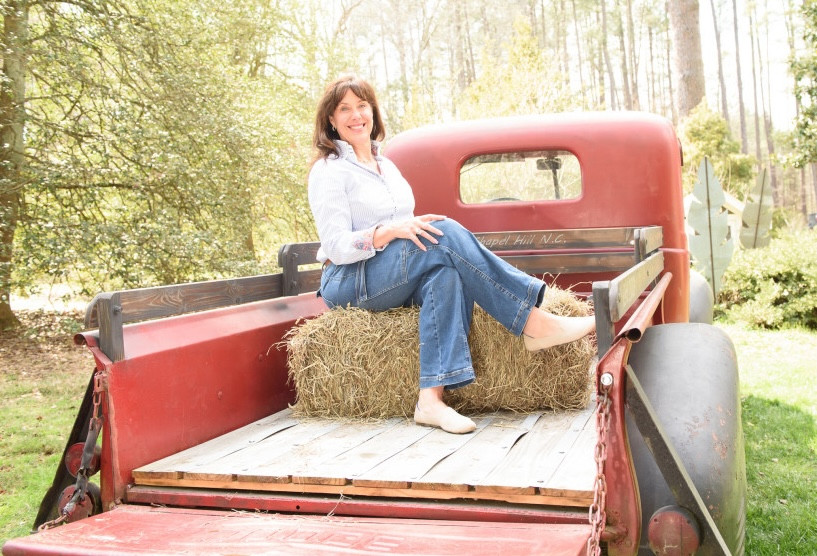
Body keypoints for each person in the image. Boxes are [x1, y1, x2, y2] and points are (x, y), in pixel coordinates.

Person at [307, 75, 595, 434]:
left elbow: (401, 224)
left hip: (386, 269)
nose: (356, 115)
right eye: (344, 109)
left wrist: (409, 225)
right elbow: (336, 245)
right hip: (348, 279)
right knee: (447, 234)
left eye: (362, 105)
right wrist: (389, 232)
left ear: (372, 111)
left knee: (445, 273)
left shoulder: (388, 166)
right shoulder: (329, 170)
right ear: (331, 121)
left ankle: (430, 400)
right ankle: (532, 321)